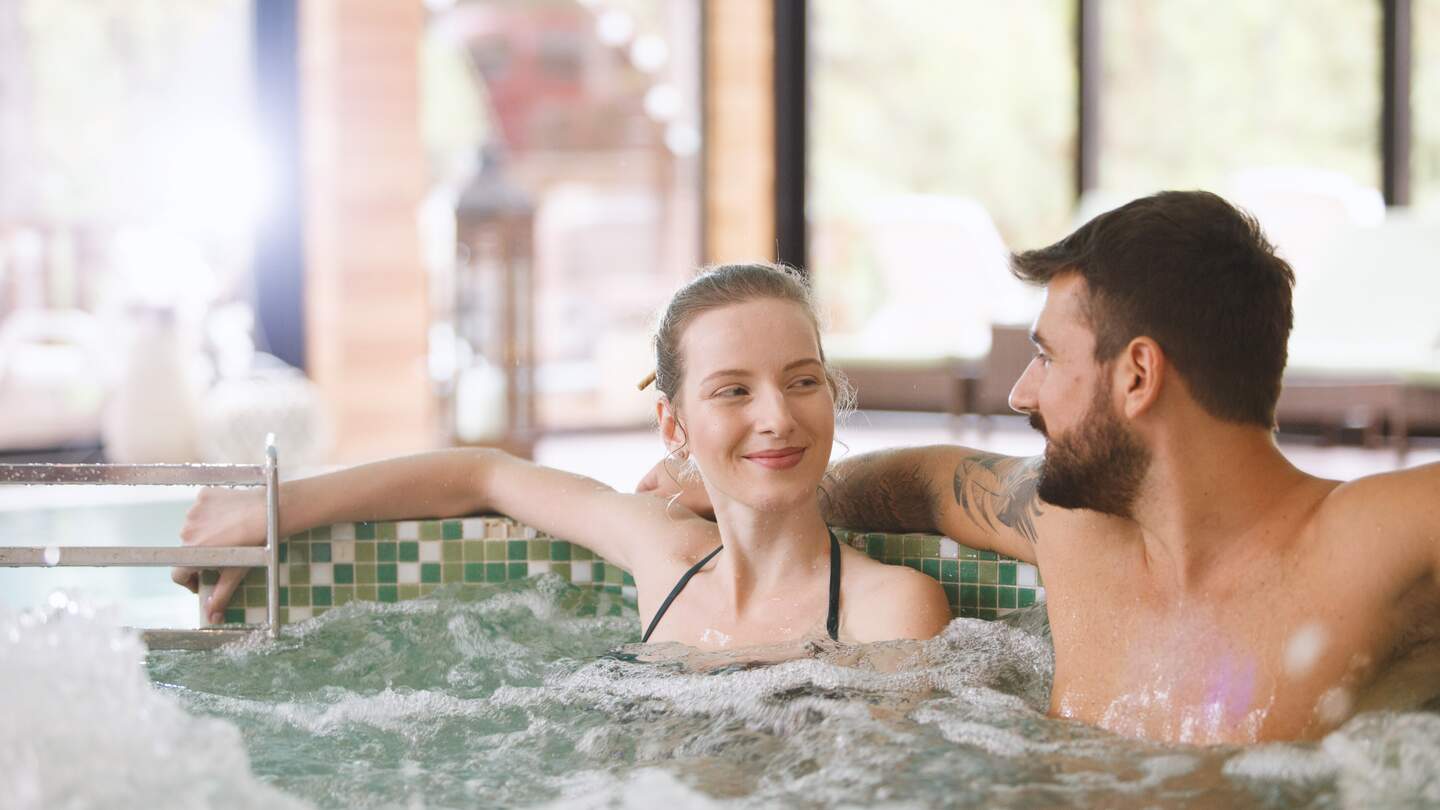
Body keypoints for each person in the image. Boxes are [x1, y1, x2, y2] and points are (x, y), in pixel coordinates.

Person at [640, 191, 1440, 744]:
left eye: (1048, 357)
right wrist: (742, 483)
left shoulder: (1372, 539)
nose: (1022, 392)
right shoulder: (1073, 532)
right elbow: (926, 481)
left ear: (1138, 375)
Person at [173, 263, 952, 650]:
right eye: (733, 391)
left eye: (802, 381)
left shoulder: (889, 610)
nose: (777, 418)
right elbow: (481, 473)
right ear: (673, 425)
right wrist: (272, 507)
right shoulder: (664, 553)